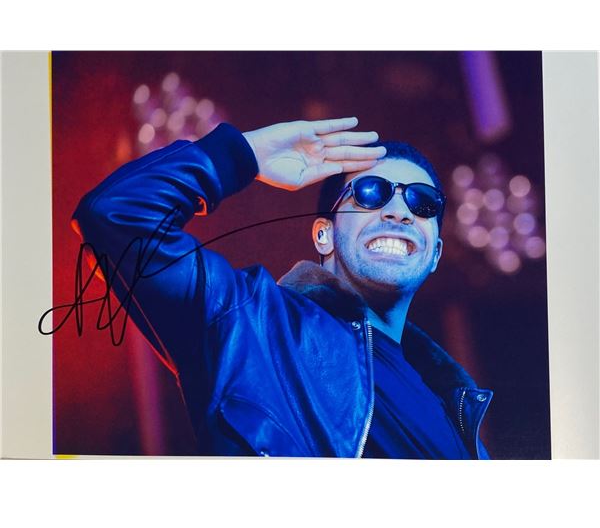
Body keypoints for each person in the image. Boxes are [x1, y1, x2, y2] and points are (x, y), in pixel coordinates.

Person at [73, 117, 493, 459]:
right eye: (371, 193)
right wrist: (243, 155)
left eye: (422, 202)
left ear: (435, 253)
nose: (399, 212)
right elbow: (115, 214)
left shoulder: (453, 402)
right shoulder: (251, 326)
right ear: (324, 236)